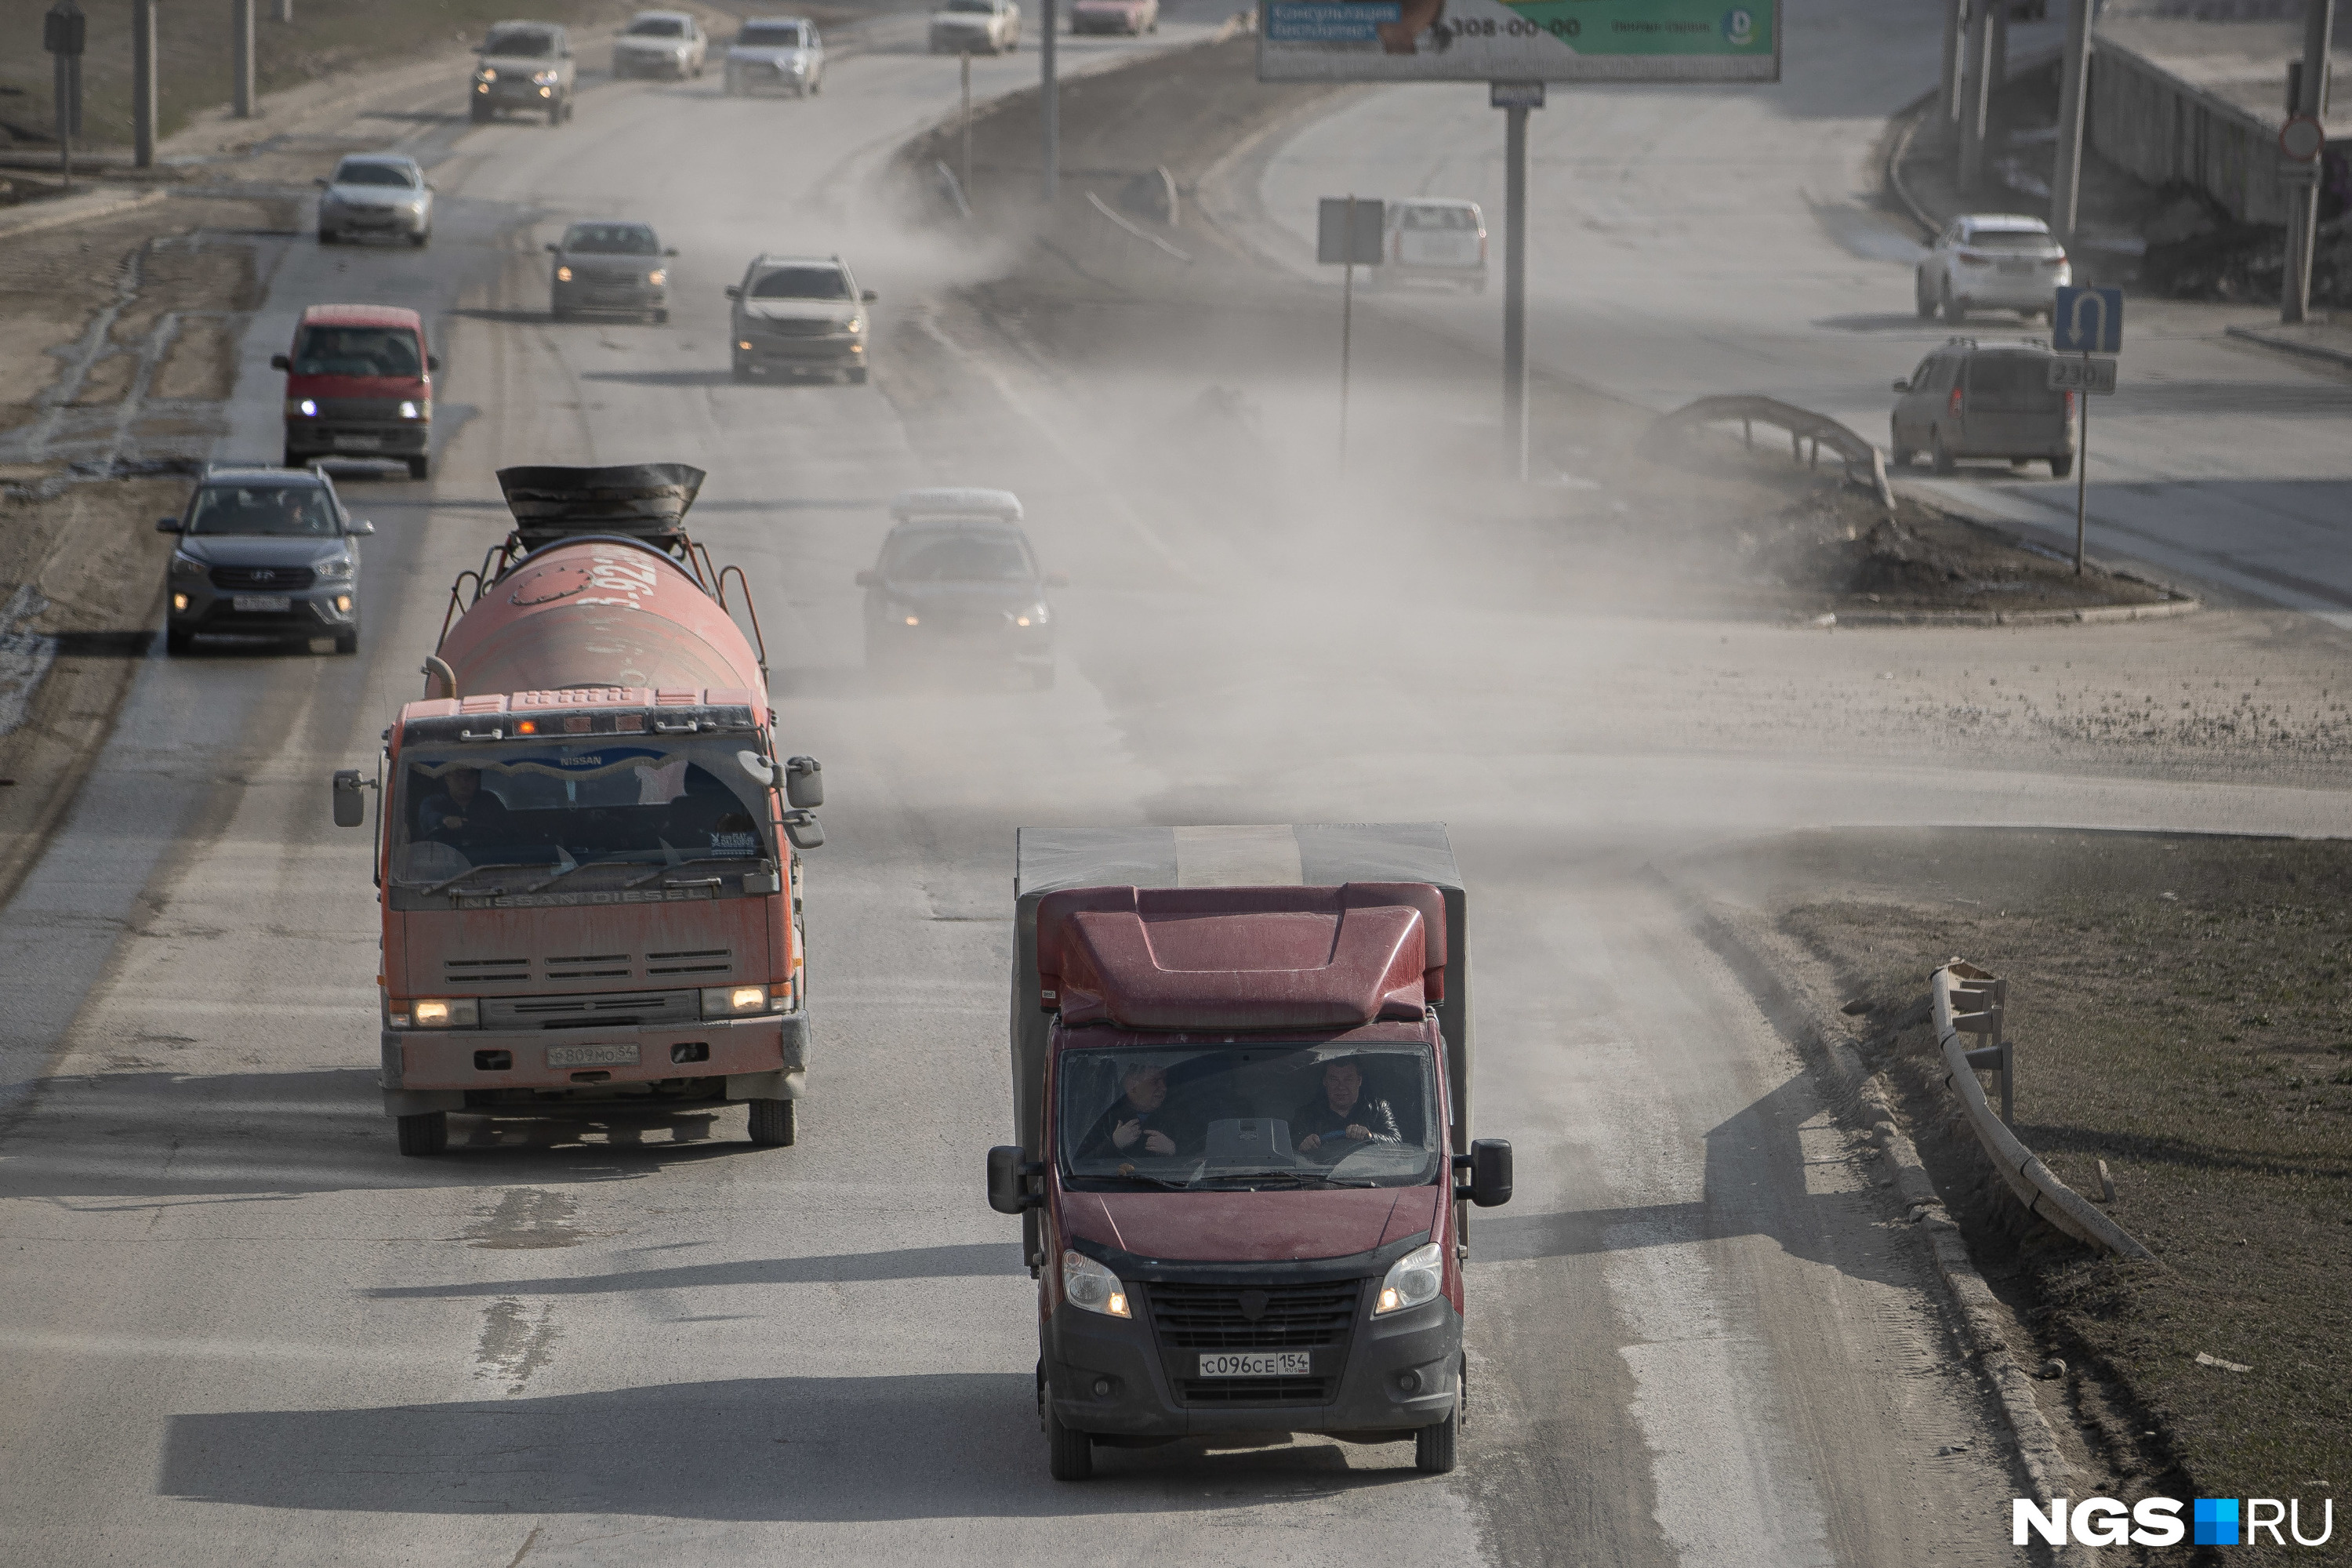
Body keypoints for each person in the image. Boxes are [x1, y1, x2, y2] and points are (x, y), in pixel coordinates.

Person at [1292, 1058, 1400, 1156]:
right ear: (1325, 1081)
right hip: (1315, 1175)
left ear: (1359, 1081)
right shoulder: (1306, 1115)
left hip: (1368, 1174)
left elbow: (1397, 1143)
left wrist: (1369, 1136)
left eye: (1348, 1080)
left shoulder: (1378, 1109)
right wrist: (1304, 1146)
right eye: (1334, 1079)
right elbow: (1289, 1152)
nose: (1341, 1087)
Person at [1076, 1062, 1180, 1160]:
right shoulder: (1103, 1119)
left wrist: (1173, 1150)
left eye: (1164, 1081)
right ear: (1131, 1086)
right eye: (1155, 1081)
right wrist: (1114, 1144)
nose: (1163, 1088)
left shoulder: (1178, 1117)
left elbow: (1194, 1162)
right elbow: (1077, 1166)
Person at [417, 767, 513, 848]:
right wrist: (444, 820)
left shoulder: (490, 802)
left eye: (470, 776)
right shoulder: (433, 802)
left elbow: (509, 831)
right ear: (447, 778)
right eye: (458, 775)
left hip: (488, 861)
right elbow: (427, 818)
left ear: (477, 779)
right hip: (446, 861)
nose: (464, 782)